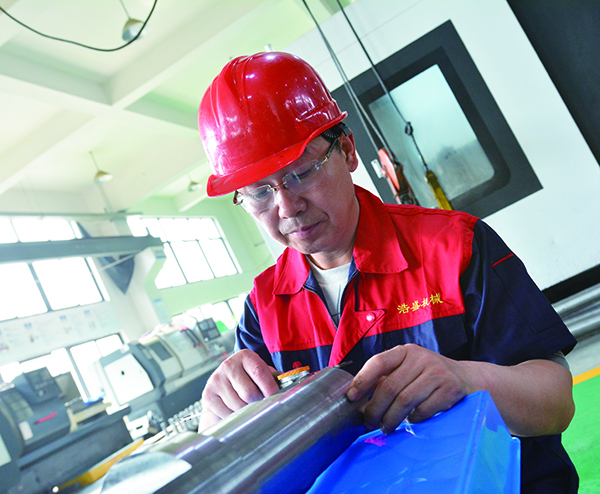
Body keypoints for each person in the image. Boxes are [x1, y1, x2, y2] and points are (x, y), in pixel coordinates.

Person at [197, 51, 578, 493]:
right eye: (259, 192)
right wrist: (217, 419)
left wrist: (466, 379)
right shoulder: (264, 307)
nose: (286, 207)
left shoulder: (456, 247)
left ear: (347, 150)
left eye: (301, 173)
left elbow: (556, 402)